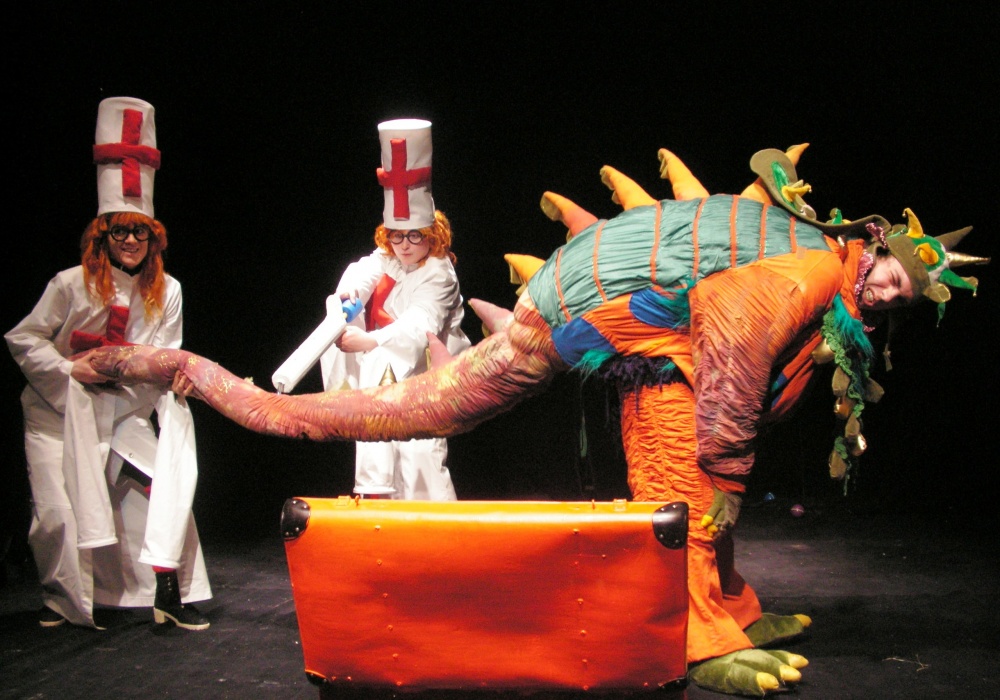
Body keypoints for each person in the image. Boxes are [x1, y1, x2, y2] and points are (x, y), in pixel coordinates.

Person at [5, 96, 212, 631]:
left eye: (140, 232)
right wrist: (68, 371)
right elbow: (24, 337)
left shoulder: (168, 291)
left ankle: (171, 592)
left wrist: (172, 382)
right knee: (57, 513)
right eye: (120, 231)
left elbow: (165, 355)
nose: (131, 241)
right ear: (102, 236)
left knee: (169, 486)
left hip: (123, 415)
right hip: (57, 416)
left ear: (153, 238)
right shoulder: (69, 284)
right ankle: (62, 600)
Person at [320, 119, 470, 500]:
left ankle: (439, 536)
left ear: (431, 234)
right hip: (389, 378)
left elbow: (421, 325)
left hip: (426, 379)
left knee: (421, 460)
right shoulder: (389, 256)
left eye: (414, 236)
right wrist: (349, 295)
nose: (404, 245)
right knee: (381, 448)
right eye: (396, 236)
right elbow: (365, 271)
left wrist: (370, 341)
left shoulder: (439, 273)